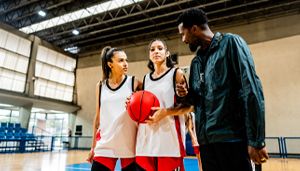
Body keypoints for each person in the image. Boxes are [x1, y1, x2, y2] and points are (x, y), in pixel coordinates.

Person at [175, 8, 269, 171]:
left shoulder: (231, 43)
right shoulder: (196, 62)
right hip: (207, 144)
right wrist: (185, 94)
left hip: (233, 140)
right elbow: (195, 102)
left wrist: (256, 140)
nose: (183, 40)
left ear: (194, 29)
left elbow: (252, 89)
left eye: (183, 34)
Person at [135, 39, 193, 171]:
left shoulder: (176, 74)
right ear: (149, 55)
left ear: (167, 53)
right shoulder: (145, 79)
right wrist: (132, 102)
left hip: (169, 141)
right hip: (148, 140)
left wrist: (166, 112)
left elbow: (189, 106)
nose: (156, 51)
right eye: (152, 49)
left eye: (160, 48)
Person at [86, 46, 142, 171]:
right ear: (110, 64)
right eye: (121, 60)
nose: (126, 64)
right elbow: (97, 118)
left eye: (126, 60)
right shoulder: (100, 86)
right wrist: (93, 147)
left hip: (129, 145)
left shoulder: (134, 82)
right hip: (105, 145)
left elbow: (149, 101)